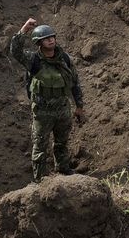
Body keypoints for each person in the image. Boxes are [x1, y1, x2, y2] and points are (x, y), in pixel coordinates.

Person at [10, 18, 85, 182]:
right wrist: (23, 30)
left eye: (52, 37)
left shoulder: (65, 59)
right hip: (42, 112)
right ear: (39, 42)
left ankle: (64, 170)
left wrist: (79, 106)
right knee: (40, 146)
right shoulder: (33, 60)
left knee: (62, 143)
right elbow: (15, 52)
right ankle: (40, 179)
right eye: (46, 38)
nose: (51, 40)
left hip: (63, 109)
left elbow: (74, 83)